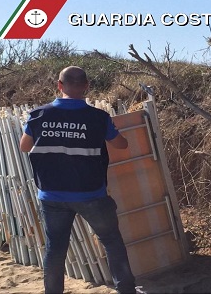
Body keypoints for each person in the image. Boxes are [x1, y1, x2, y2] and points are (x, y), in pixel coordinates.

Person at [20, 66, 137, 294]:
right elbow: (121, 145)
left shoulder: (39, 115)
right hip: (91, 193)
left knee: (55, 249)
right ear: (86, 87)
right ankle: (127, 290)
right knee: (112, 242)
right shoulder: (98, 118)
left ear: (59, 85)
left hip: (52, 195)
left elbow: (24, 146)